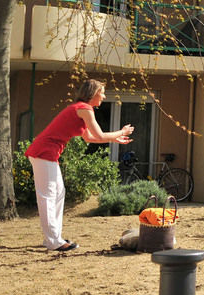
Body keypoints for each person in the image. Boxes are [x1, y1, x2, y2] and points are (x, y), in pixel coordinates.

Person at [25, 79, 133, 252]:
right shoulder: (84, 109)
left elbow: (89, 137)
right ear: (93, 93)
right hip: (43, 152)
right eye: (102, 92)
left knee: (58, 193)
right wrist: (121, 132)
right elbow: (98, 136)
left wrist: (115, 138)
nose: (104, 96)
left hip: (47, 153)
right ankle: (53, 241)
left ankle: (54, 238)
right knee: (48, 196)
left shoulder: (80, 110)